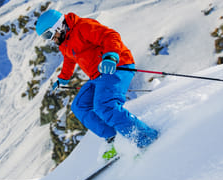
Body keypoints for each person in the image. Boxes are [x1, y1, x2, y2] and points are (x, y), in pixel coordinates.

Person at [35, 9, 159, 156]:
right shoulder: (64, 42)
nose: (51, 40)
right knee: (79, 106)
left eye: (49, 34)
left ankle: (145, 139)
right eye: (45, 37)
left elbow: (110, 36)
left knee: (105, 106)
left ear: (58, 26)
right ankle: (114, 137)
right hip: (97, 76)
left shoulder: (83, 26)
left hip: (117, 67)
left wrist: (111, 56)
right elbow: (69, 59)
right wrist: (63, 78)